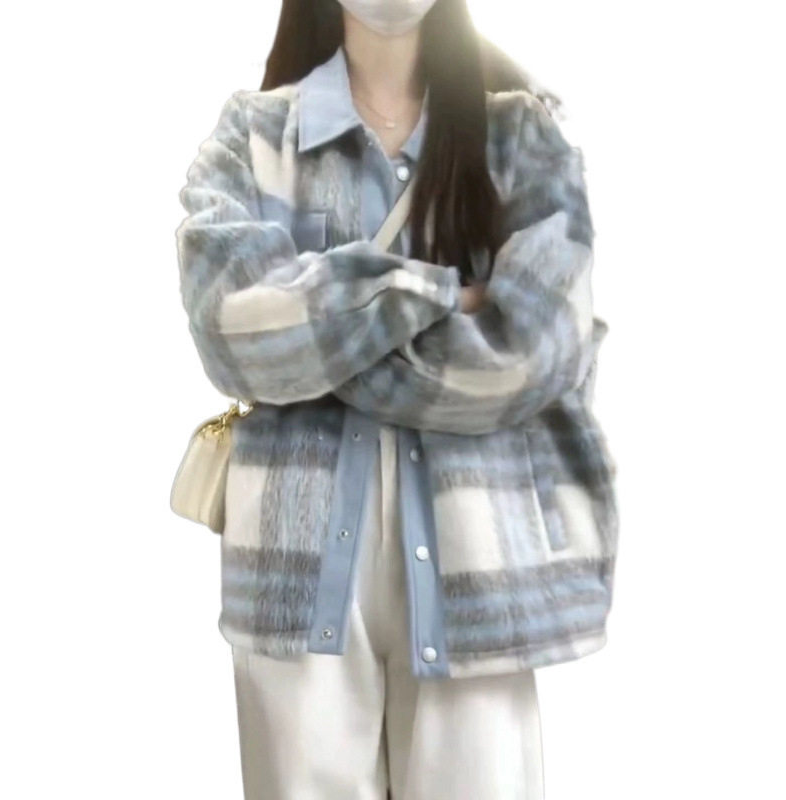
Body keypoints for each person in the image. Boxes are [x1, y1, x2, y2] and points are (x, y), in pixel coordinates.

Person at [174, 0, 620, 797]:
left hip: (484, 580)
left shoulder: (523, 139)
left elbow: (533, 348)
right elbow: (229, 329)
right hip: (292, 576)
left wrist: (316, 342)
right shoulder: (253, 135)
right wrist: (444, 294)